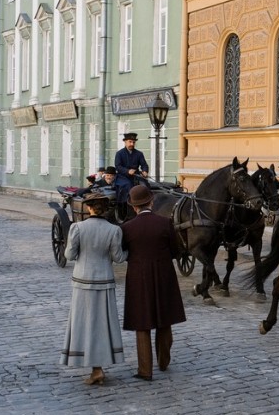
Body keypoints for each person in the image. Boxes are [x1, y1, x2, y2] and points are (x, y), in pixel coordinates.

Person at [60, 193, 128, 385]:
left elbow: (69, 255)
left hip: (82, 281)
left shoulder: (77, 228)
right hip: (104, 280)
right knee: (102, 324)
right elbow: (119, 258)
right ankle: (98, 367)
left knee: (84, 323)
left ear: (89, 208)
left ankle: (95, 368)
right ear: (105, 209)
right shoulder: (114, 230)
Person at [121, 185, 186, 381]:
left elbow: (124, 254)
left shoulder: (127, 228)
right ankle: (163, 361)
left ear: (134, 207)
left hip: (138, 277)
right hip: (164, 274)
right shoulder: (165, 223)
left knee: (142, 323)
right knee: (164, 318)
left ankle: (145, 370)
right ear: (151, 202)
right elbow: (176, 251)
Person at [114, 132, 149, 205]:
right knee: (128, 185)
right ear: (125, 142)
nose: (132, 144)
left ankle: (145, 205)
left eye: (133, 142)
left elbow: (144, 165)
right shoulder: (119, 153)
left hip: (136, 176)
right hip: (122, 177)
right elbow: (118, 166)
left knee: (145, 186)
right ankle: (128, 205)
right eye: (130, 142)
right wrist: (127, 171)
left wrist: (145, 171)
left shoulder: (139, 154)